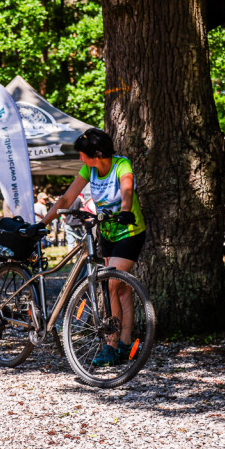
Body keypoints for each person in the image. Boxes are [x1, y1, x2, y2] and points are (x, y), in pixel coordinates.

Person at [41, 128, 146, 367]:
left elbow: (127, 190)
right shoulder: (89, 169)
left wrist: (126, 212)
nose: (80, 158)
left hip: (129, 231)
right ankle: (126, 344)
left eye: (83, 154)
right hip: (107, 232)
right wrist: (42, 223)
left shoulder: (122, 165)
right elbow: (67, 198)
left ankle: (111, 346)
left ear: (97, 154)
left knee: (112, 284)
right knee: (121, 290)